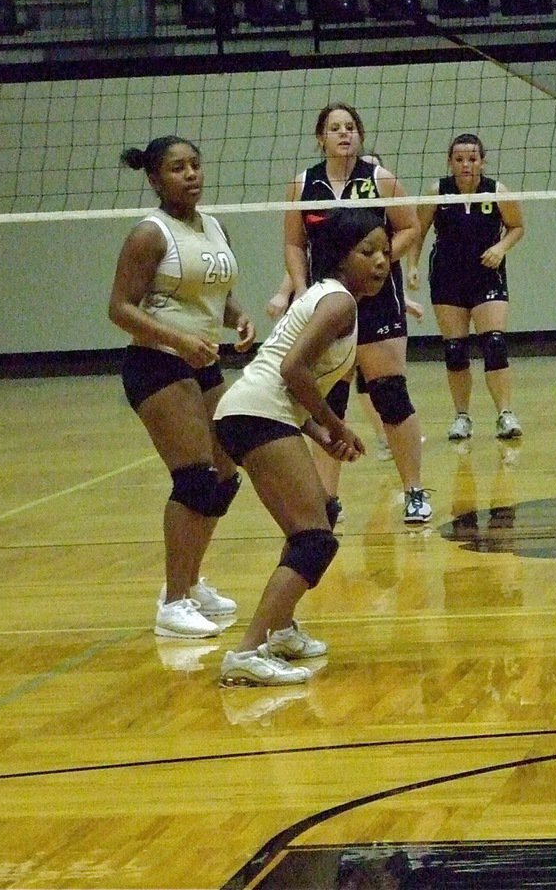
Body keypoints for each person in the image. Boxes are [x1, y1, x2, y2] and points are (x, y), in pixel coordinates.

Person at [214, 207, 390, 686]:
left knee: (320, 517)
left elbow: (292, 384)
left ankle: (282, 628)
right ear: (340, 256)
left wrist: (322, 434)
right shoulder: (339, 304)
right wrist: (334, 422)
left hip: (257, 412)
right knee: (314, 540)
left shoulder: (337, 301)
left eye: (386, 252)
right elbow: (291, 371)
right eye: (367, 251)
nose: (380, 261)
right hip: (254, 413)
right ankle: (247, 653)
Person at [108, 136, 255, 639]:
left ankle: (191, 584)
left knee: (226, 473)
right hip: (157, 363)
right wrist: (178, 338)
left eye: (195, 165)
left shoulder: (214, 226)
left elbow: (214, 292)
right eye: (177, 168)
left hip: (203, 361)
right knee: (194, 477)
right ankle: (172, 603)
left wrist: (238, 317)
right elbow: (120, 309)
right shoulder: (149, 235)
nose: (190, 174)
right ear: (155, 179)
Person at [269, 103, 430, 525]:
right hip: (326, 303)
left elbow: (410, 227)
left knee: (390, 393)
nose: (345, 134)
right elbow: (292, 242)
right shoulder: (304, 184)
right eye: (335, 128)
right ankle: (327, 501)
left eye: (351, 128)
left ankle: (414, 490)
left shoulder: (379, 178)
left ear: (360, 135)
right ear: (320, 137)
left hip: (378, 300)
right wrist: (301, 291)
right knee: (328, 401)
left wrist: (375, 262)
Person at [407, 133, 525, 442]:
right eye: (459, 159)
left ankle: (505, 414)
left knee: (495, 344)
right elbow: (417, 232)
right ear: (450, 163)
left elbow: (517, 227)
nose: (466, 165)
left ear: (482, 161)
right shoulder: (438, 192)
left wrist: (501, 248)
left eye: (472, 159)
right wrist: (413, 267)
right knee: (455, 350)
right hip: (448, 278)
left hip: (487, 275)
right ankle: (462, 417)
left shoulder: (497, 191)